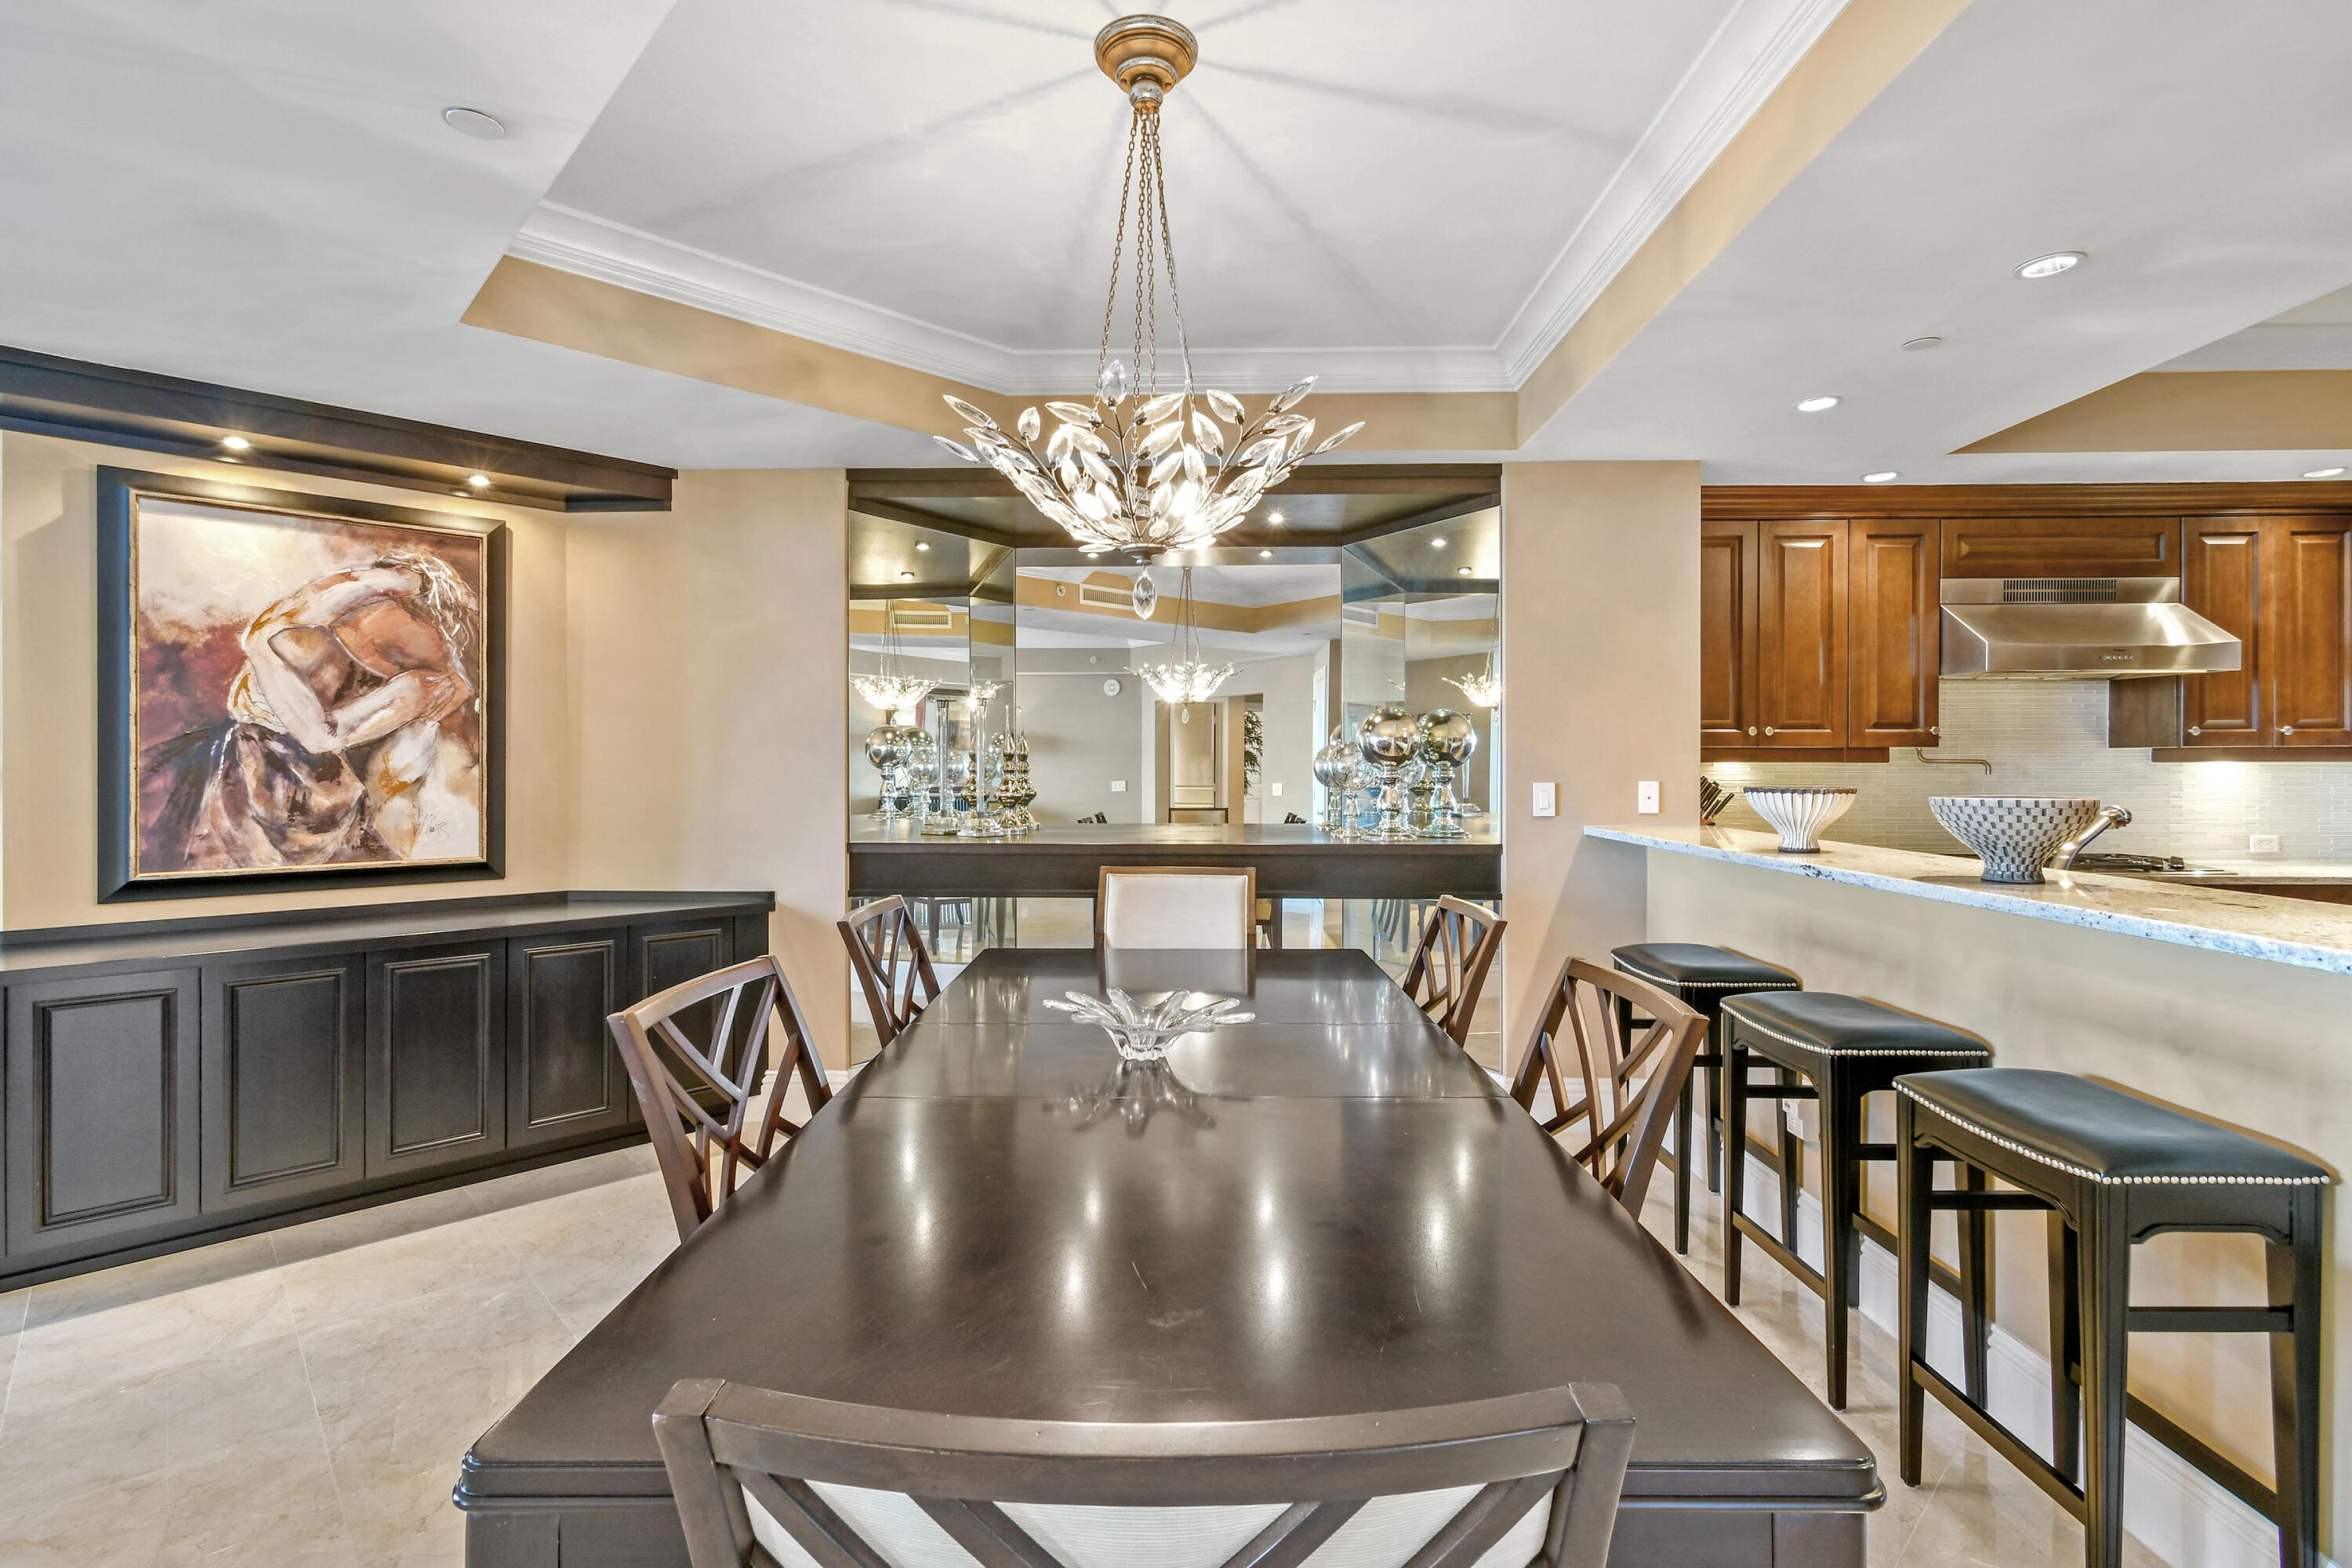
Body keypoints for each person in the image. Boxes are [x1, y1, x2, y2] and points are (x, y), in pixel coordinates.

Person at [143, 549, 481, 870]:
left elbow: (324, 737)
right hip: (262, 778)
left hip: (309, 785)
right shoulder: (285, 639)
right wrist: (394, 582)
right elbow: (320, 734)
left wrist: (394, 585)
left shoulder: (284, 637)